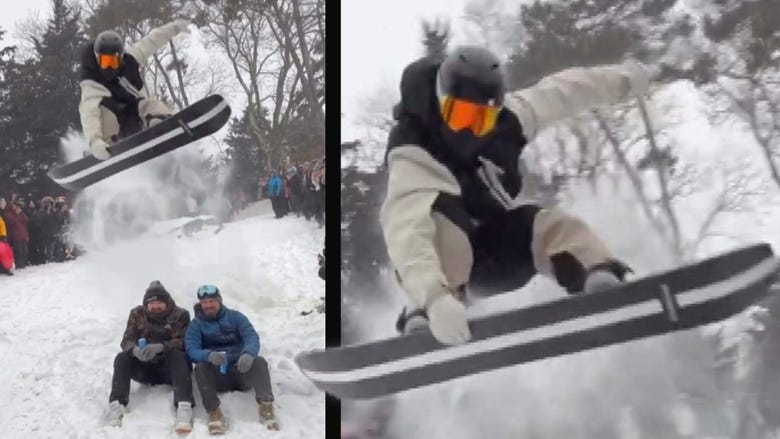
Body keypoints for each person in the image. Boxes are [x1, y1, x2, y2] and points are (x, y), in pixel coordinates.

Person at [382, 46, 650, 346]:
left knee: (549, 225)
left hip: (496, 253)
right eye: (461, 116)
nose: (471, 130)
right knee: (444, 227)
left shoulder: (508, 122)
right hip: (443, 269)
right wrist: (433, 297)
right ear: (442, 102)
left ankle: (596, 272)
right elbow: (406, 231)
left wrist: (627, 79)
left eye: (481, 120)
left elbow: (565, 91)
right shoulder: (413, 149)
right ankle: (424, 311)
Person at [79, 19, 191, 160]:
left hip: (134, 116)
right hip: (112, 125)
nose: (109, 67)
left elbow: (152, 41)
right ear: (97, 58)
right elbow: (89, 113)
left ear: (120, 58)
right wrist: (94, 140)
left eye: (112, 62)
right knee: (105, 113)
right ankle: (106, 145)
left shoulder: (131, 60)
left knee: (147, 103)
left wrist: (174, 28)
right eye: (105, 61)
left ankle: (160, 121)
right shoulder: (92, 81)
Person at [185, 285, 279, 435]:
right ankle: (214, 412)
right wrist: (207, 355)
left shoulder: (235, 317)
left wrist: (248, 354)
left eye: (211, 301)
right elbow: (191, 349)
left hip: (241, 371)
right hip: (218, 378)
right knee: (201, 368)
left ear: (219, 301)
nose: (208, 305)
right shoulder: (196, 325)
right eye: (204, 302)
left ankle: (266, 407)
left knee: (259, 361)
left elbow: (251, 336)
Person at [105, 281, 194, 432]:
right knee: (122, 357)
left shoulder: (181, 315)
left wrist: (161, 347)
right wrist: (134, 350)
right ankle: (117, 405)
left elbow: (184, 342)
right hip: (144, 370)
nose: (155, 306)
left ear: (167, 302)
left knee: (179, 356)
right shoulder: (137, 314)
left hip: (170, 372)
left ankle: (184, 406)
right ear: (146, 304)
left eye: (159, 303)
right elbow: (127, 340)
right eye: (152, 303)